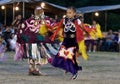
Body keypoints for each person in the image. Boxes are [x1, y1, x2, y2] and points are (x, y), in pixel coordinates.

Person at [50, 6, 83, 80]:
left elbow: (82, 29)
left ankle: (74, 72)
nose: (68, 14)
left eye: (70, 13)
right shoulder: (64, 20)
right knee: (61, 55)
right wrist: (50, 26)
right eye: (67, 12)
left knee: (70, 57)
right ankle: (67, 68)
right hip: (65, 41)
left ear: (74, 13)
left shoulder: (77, 21)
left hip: (73, 41)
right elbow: (57, 27)